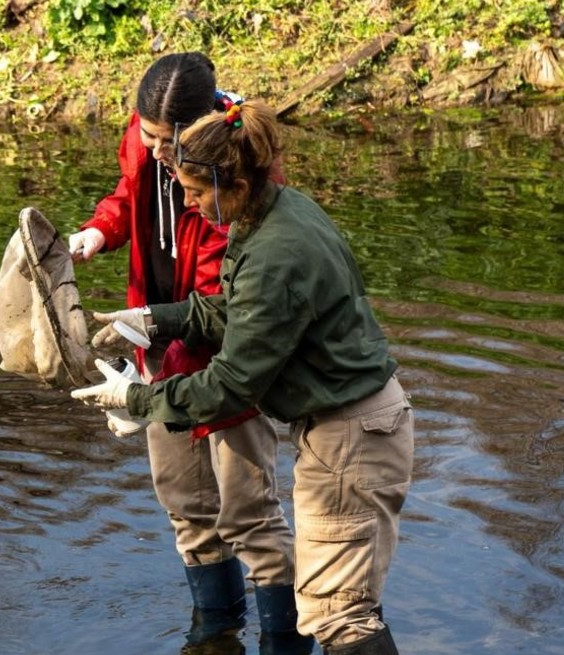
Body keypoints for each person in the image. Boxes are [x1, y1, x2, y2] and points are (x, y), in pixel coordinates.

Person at [71, 99, 414, 655]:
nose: (187, 202)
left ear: (231, 181)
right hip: (344, 428)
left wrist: (138, 398)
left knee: (338, 615)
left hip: (352, 435)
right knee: (333, 607)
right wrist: (152, 318)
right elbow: (232, 307)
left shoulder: (275, 251)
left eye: (196, 191)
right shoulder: (274, 212)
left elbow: (231, 385)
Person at [67, 53, 309, 652]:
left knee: (249, 514)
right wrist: (100, 230)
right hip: (158, 342)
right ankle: (214, 629)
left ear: (197, 135)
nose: (151, 150)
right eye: (143, 134)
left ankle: (283, 638)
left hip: (227, 363)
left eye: (162, 142)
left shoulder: (245, 181)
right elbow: (129, 195)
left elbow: (218, 308)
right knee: (186, 508)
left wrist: (145, 398)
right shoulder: (146, 139)